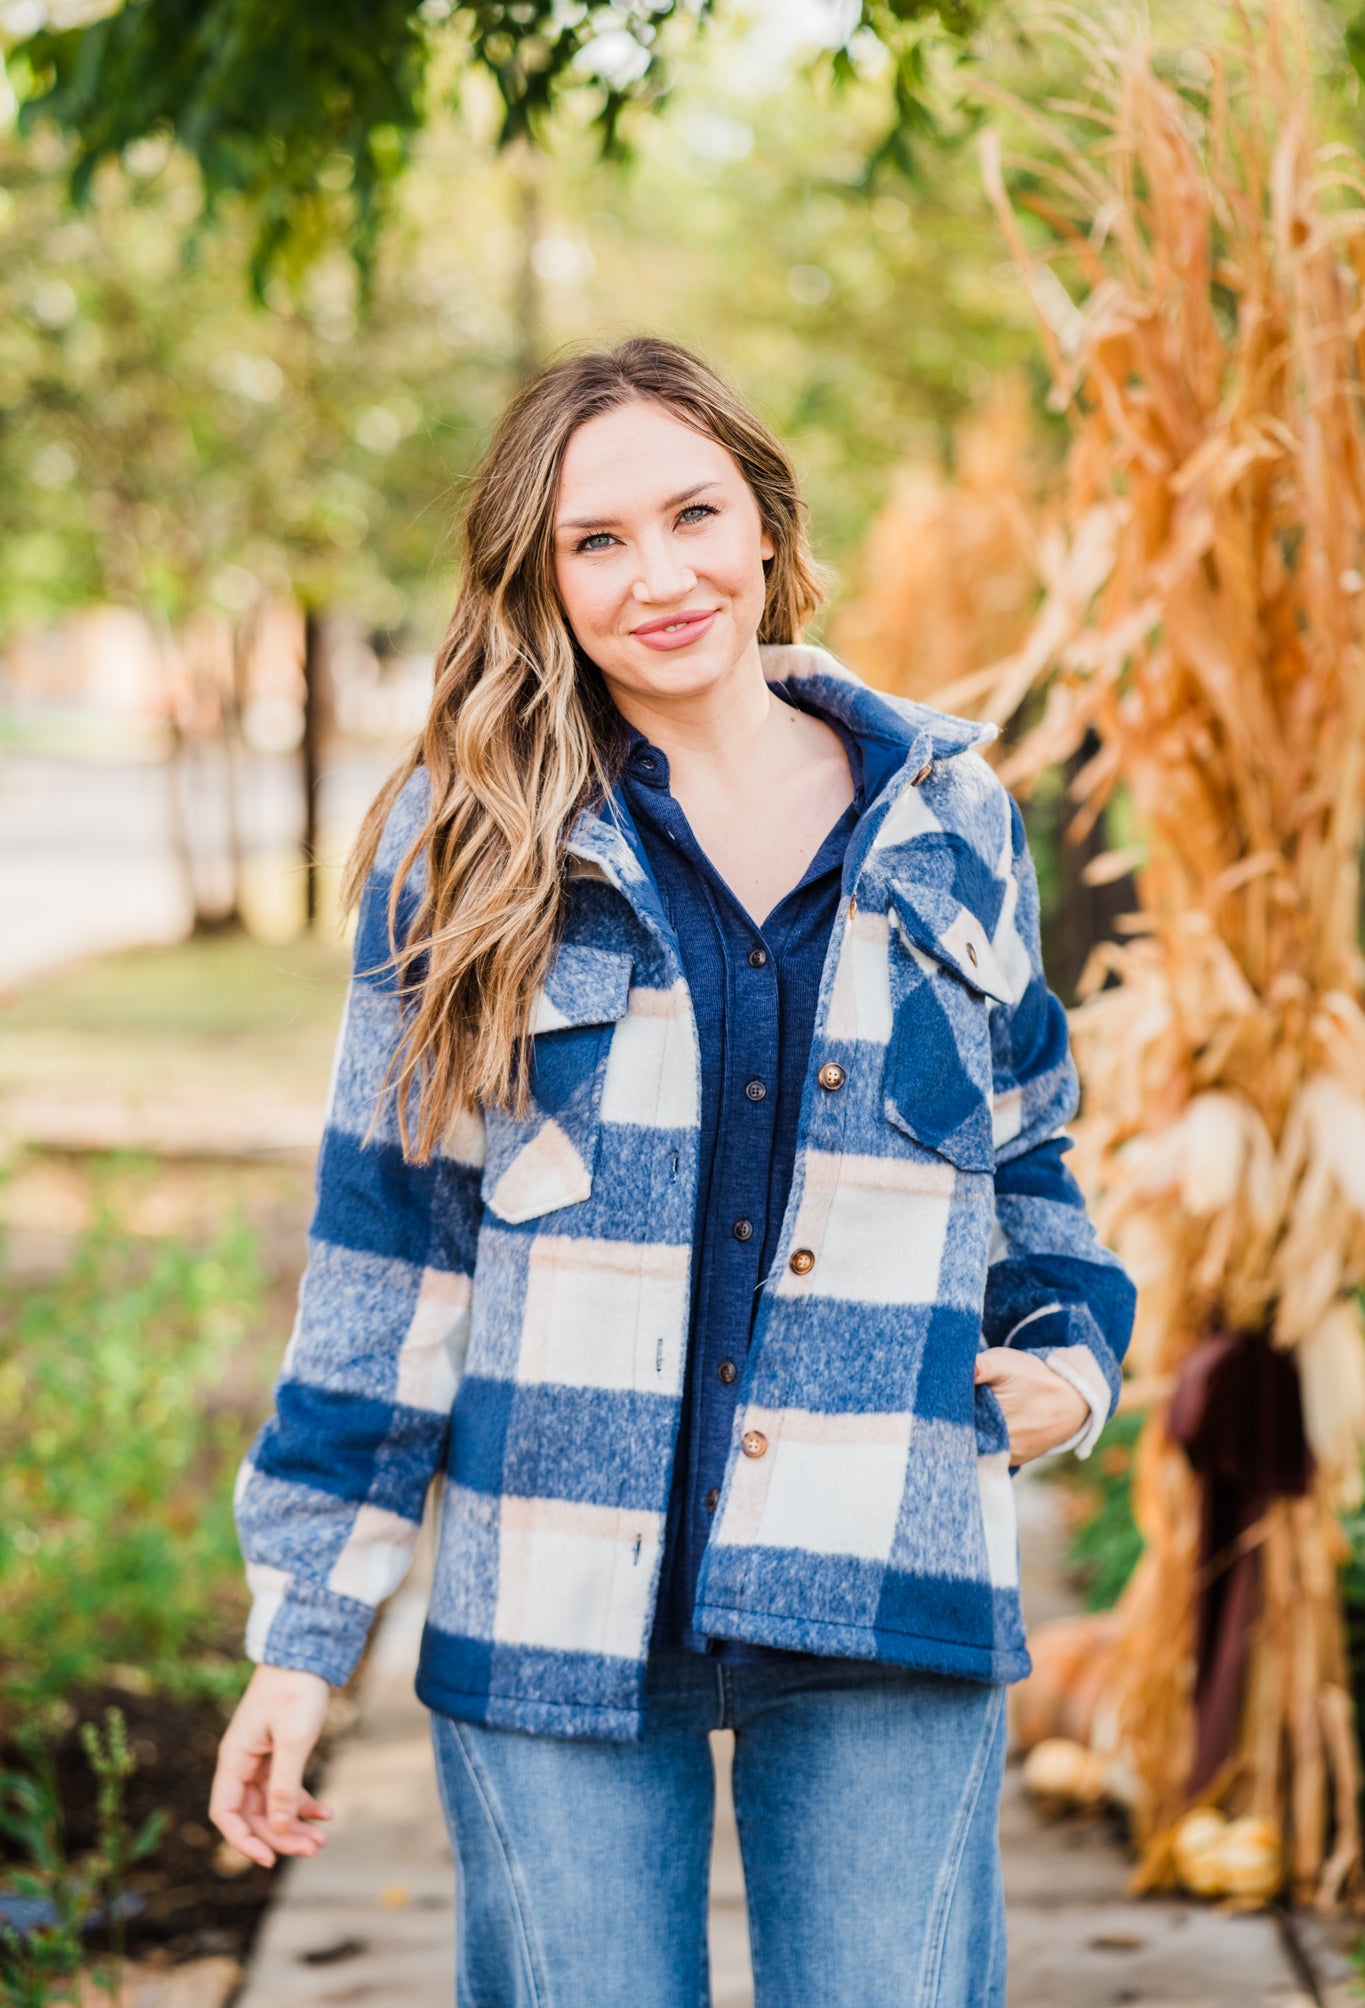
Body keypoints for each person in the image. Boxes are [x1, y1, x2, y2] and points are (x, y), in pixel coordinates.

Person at [210, 335, 1136, 2007]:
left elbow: (1028, 1154)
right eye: (596, 542)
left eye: (691, 514)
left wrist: (1071, 1359)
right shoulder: (466, 847)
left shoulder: (945, 815)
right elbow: (388, 1259)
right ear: (541, 582)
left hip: (885, 1569)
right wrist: (302, 1633)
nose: (660, 577)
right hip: (553, 1595)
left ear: (765, 527)